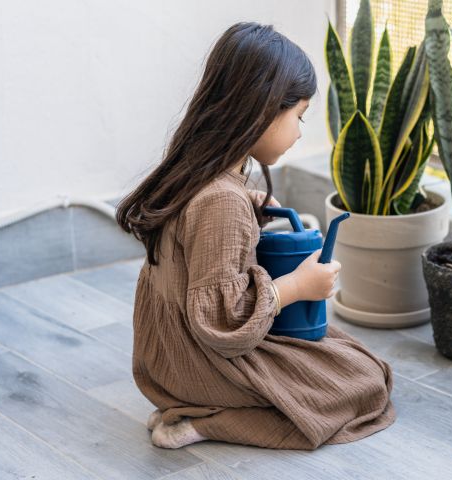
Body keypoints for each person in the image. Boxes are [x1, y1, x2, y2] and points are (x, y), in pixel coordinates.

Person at [116, 21, 395, 450]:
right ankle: (204, 421)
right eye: (298, 117)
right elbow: (223, 326)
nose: (300, 132)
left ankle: (185, 404)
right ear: (262, 110)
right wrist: (297, 287)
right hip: (203, 362)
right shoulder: (221, 201)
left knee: (344, 351)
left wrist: (245, 201)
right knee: (364, 380)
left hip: (165, 358)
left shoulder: (197, 170)